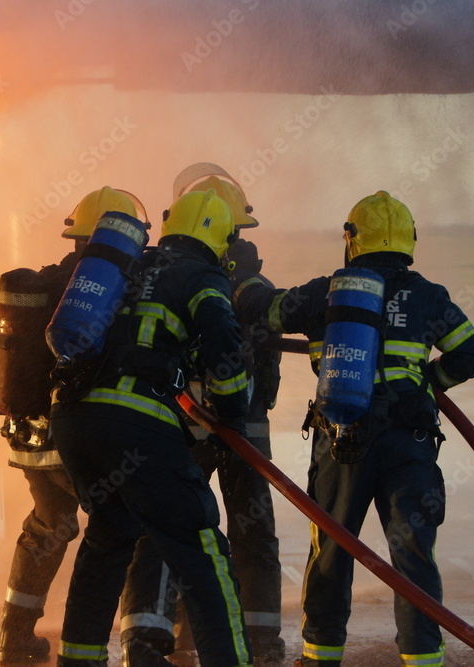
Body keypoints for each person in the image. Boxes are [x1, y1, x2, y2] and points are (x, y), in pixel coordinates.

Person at [232, 191, 474, 666]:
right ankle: (423, 658)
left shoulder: (327, 290)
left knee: (331, 548)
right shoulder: (430, 296)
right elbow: (471, 351)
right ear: (409, 239)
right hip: (409, 445)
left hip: (342, 440)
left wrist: (239, 273)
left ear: (352, 240)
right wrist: (428, 387)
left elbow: (262, 312)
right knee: (413, 557)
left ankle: (320, 657)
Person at [51, 189, 253, 667]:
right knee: (203, 549)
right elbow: (224, 344)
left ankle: (77, 661)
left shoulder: (131, 264)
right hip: (135, 424)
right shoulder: (203, 275)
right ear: (216, 239)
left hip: (76, 420)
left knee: (108, 536)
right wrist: (233, 411)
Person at [120, 168, 285, 667]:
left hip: (181, 422)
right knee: (251, 530)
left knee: (170, 528)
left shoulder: (168, 273)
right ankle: (261, 641)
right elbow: (268, 366)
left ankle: (166, 635)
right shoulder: (253, 282)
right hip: (244, 425)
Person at [0, 186, 147, 664]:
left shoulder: (44, 282)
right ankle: (138, 643)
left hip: (28, 439)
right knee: (125, 531)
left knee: (49, 525)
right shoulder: (107, 287)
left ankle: (14, 637)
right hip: (77, 439)